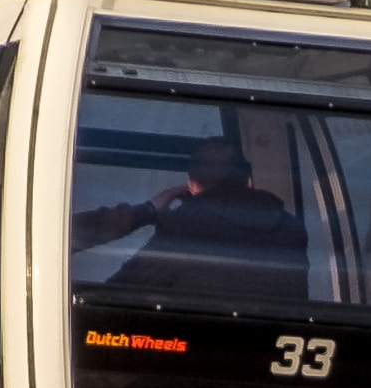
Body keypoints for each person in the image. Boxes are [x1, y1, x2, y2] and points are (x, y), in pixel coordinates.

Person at [76, 125, 306, 298]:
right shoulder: (292, 229)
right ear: (249, 181)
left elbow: (117, 295)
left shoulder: (182, 227)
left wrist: (150, 211)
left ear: (192, 186)